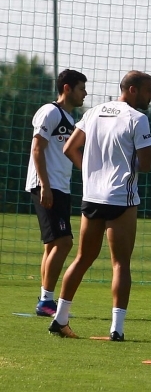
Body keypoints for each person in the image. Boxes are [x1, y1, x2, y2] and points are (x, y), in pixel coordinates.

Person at [51, 71, 151, 340]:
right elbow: (146, 164)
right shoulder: (138, 119)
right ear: (132, 90)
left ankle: (60, 319)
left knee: (83, 258)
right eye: (148, 90)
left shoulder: (94, 112)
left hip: (92, 197)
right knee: (120, 264)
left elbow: (69, 149)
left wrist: (89, 172)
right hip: (121, 198)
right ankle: (117, 329)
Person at [27, 69, 88, 317]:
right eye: (81, 88)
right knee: (64, 241)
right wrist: (45, 185)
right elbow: (37, 149)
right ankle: (46, 300)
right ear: (67, 88)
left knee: (52, 244)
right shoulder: (50, 111)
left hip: (60, 187)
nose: (85, 94)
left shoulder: (71, 120)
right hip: (48, 186)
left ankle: (45, 299)